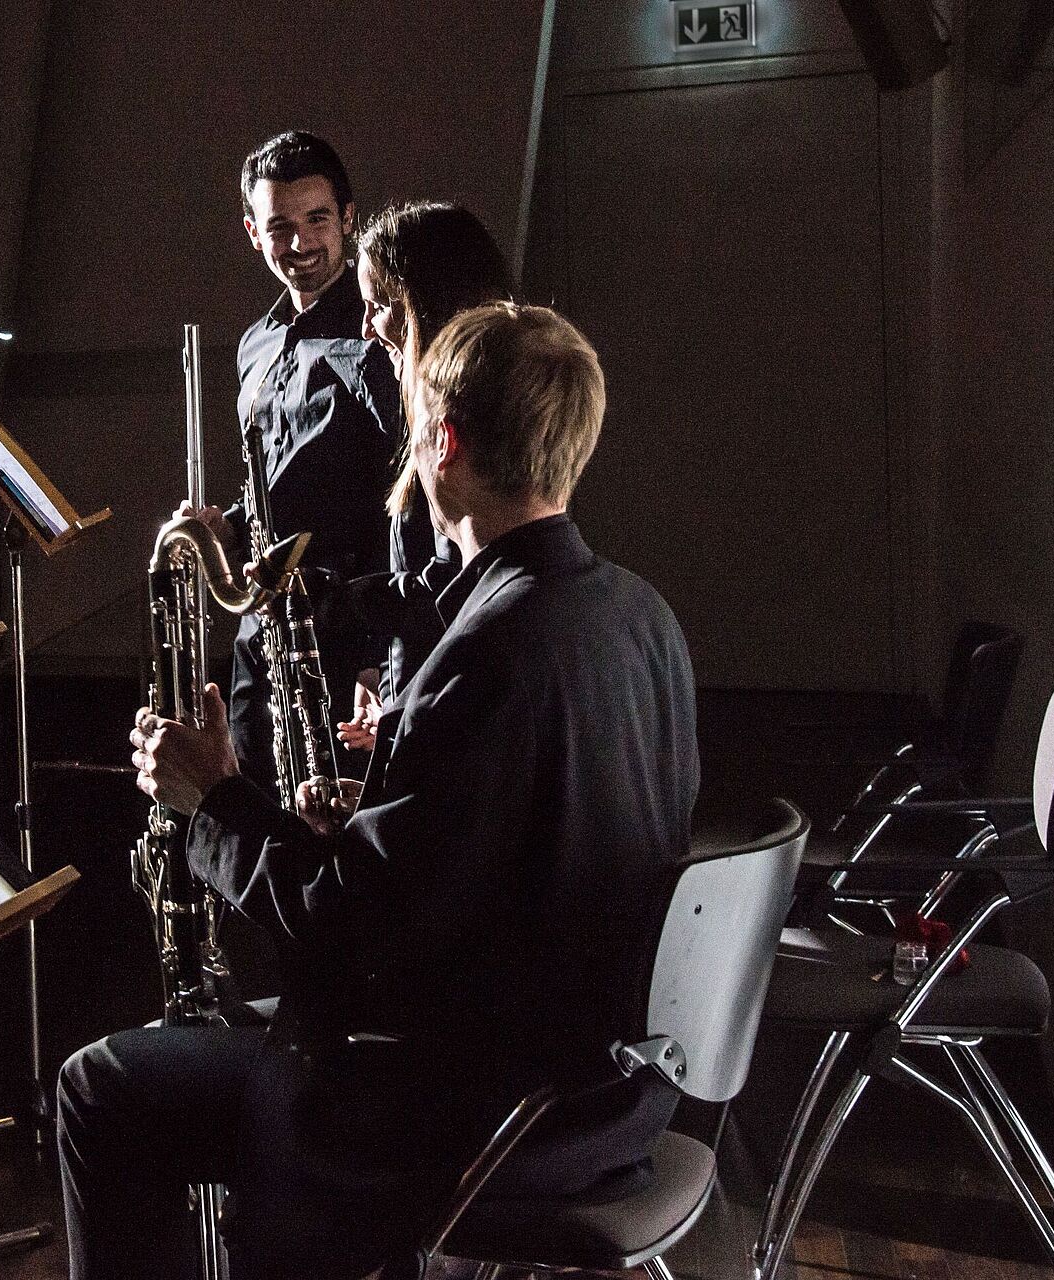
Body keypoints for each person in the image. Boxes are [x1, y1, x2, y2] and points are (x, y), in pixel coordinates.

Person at [61, 302, 700, 1280]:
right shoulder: (640, 614)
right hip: (617, 1088)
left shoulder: (491, 650)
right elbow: (522, 864)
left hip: (474, 1108)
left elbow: (349, 936)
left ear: (443, 442)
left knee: (100, 1085)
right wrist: (354, 822)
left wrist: (216, 798)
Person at [194, 130, 401, 792]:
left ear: (348, 219)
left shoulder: (377, 336)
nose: (300, 243)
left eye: (317, 220)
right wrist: (224, 522)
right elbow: (274, 485)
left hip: (347, 634)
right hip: (265, 627)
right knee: (255, 807)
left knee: (335, 830)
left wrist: (379, 659)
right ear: (254, 232)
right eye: (280, 226)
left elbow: (407, 498)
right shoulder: (255, 344)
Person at [337, 201, 517, 751]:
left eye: (383, 305)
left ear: (426, 304)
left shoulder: (467, 436)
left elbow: (451, 604)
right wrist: (383, 676)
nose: (367, 329)